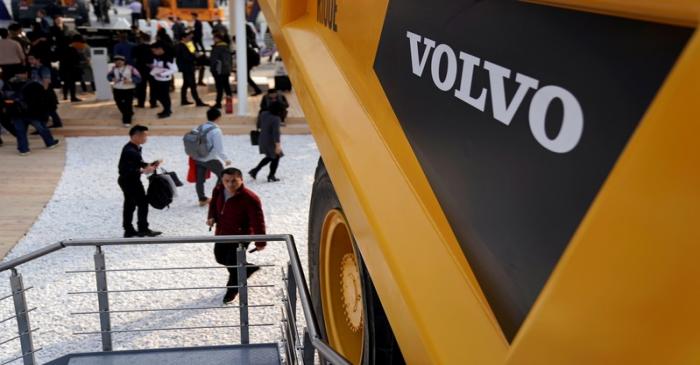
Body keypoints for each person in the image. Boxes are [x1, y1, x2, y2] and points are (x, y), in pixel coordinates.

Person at [207, 167, 266, 303]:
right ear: (222, 180)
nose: (230, 184)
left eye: (234, 181)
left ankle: (232, 290)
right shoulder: (218, 190)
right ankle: (247, 269)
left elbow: (258, 221)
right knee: (220, 258)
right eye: (226, 181)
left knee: (234, 264)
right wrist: (212, 217)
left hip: (241, 236)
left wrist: (260, 242)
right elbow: (213, 205)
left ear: (241, 180)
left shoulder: (250, 198)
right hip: (222, 232)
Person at [118, 125, 162, 237]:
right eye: (144, 135)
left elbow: (137, 163)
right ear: (136, 136)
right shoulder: (130, 151)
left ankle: (128, 230)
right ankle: (143, 228)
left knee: (130, 204)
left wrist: (150, 165)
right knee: (142, 203)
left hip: (127, 181)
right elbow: (126, 170)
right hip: (130, 181)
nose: (146, 138)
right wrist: (144, 170)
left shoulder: (133, 148)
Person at [7, 70, 60, 155]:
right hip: (32, 112)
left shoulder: (9, 85)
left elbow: (6, 98)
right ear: (26, 74)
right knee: (41, 128)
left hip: (16, 111)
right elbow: (41, 99)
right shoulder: (34, 84)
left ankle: (24, 149)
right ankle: (50, 142)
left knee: (20, 131)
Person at [193, 108, 231, 205]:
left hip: (198, 157)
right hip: (210, 158)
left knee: (199, 179)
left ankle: (202, 199)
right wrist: (226, 159)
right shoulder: (216, 131)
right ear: (218, 118)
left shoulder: (200, 127)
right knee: (222, 175)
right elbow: (219, 148)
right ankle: (216, 197)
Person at [249, 101, 283, 182]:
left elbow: (259, 124)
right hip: (270, 140)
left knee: (270, 157)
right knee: (275, 156)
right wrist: (277, 145)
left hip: (262, 138)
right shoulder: (276, 119)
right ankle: (271, 175)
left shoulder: (264, 113)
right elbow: (276, 133)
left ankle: (255, 171)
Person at [28, 54, 62, 128]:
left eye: (32, 59)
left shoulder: (44, 69)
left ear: (38, 59)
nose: (30, 61)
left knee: (48, 108)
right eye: (29, 59)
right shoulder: (33, 69)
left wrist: (43, 92)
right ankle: (55, 123)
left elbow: (46, 81)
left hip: (45, 92)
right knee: (49, 109)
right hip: (39, 91)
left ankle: (44, 126)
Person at [107, 55, 142, 127]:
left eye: (121, 60)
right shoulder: (114, 68)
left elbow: (139, 78)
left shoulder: (131, 68)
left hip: (129, 89)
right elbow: (108, 76)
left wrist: (131, 80)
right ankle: (129, 113)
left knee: (128, 104)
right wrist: (112, 79)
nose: (118, 62)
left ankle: (127, 120)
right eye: (116, 60)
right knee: (118, 102)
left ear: (124, 61)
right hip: (117, 88)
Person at [175, 30, 207, 107]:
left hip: (188, 67)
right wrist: (195, 58)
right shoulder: (181, 46)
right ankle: (198, 101)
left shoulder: (188, 44)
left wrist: (196, 56)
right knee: (192, 84)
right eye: (188, 37)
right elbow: (187, 57)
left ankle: (183, 100)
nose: (190, 38)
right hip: (187, 67)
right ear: (183, 38)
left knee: (186, 84)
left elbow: (193, 53)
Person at [150, 42, 177, 118]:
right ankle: (166, 109)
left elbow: (174, 69)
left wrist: (162, 74)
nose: (153, 52)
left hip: (164, 80)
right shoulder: (157, 57)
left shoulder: (168, 58)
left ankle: (167, 110)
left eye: (154, 51)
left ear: (160, 49)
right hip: (157, 78)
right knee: (158, 95)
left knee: (164, 96)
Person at [209, 32, 232, 109]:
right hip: (225, 70)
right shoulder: (226, 47)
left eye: (214, 38)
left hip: (219, 71)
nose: (213, 39)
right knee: (226, 86)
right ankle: (229, 102)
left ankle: (218, 103)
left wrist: (213, 70)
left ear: (218, 39)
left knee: (219, 87)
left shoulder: (218, 48)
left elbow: (214, 61)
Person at [132, 33, 154, 108]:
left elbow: (134, 59)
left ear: (142, 39)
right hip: (151, 69)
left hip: (141, 69)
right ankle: (153, 103)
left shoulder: (137, 47)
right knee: (153, 87)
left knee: (141, 87)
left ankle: (141, 103)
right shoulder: (152, 47)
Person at [244, 24, 262, 96]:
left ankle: (257, 89)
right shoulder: (252, 37)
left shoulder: (245, 39)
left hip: (248, 59)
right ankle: (257, 89)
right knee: (246, 76)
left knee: (246, 76)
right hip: (251, 59)